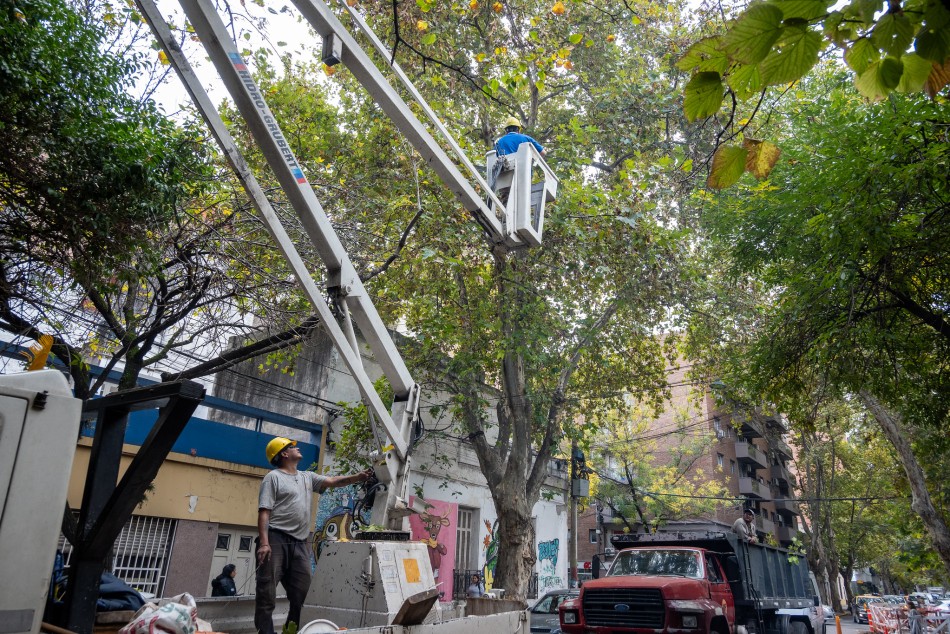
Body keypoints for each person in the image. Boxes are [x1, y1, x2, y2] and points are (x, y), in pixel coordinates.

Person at [255, 436, 374, 634]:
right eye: (292, 447)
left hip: (300, 542)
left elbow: (333, 481)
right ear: (284, 454)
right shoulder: (273, 477)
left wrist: (358, 477)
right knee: (267, 592)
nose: (297, 447)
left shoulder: (307, 477)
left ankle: (292, 630)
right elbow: (264, 511)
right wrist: (265, 543)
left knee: (302, 594)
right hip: (276, 539)